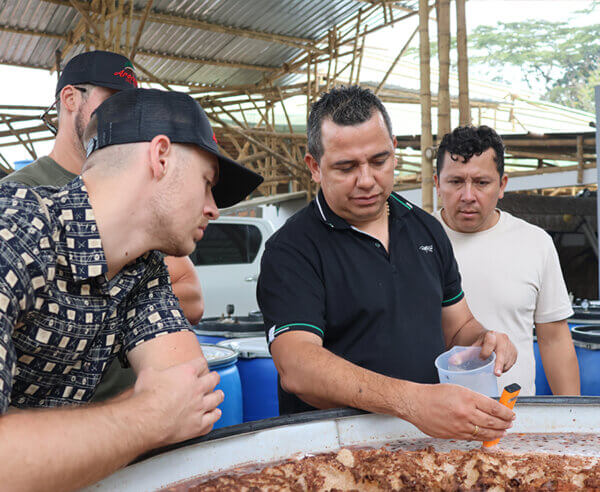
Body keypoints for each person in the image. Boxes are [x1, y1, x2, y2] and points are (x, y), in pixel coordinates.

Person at [0, 88, 263, 490]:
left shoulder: (143, 267)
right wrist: (146, 416)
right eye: (207, 183)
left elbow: (192, 399)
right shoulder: (15, 228)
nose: (213, 208)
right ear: (161, 156)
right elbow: (163, 410)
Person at [257, 86, 517, 443]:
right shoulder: (292, 249)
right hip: (333, 450)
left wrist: (486, 341)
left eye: (378, 161)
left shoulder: (425, 229)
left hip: (427, 442)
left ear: (394, 151)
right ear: (314, 167)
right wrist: (411, 401)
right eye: (346, 167)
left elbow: (458, 328)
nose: (366, 180)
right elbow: (298, 367)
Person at [1, 50, 205, 402]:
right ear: (70, 99)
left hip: (129, 403)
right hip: (57, 432)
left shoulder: (144, 202)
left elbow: (190, 293)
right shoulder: (18, 201)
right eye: (113, 101)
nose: (121, 114)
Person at [433, 125, 579, 396]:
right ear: (437, 184)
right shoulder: (412, 240)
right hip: (432, 420)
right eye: (455, 182)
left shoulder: (535, 243)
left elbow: (555, 341)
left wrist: (571, 418)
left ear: (502, 185)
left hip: (516, 418)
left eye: (481, 182)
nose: (468, 195)